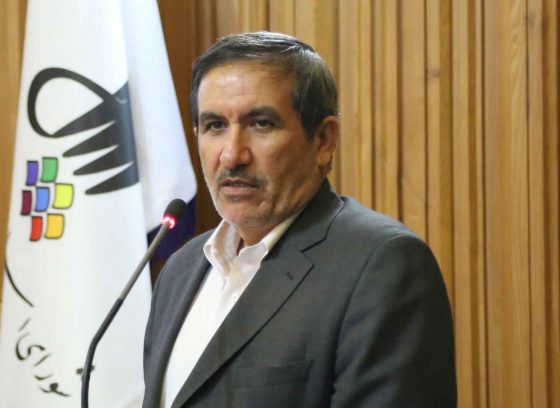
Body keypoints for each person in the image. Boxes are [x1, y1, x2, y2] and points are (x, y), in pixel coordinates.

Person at [142, 32, 456, 407]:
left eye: (261, 124)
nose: (231, 155)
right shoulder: (180, 269)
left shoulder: (381, 267)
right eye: (215, 126)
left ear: (323, 140)